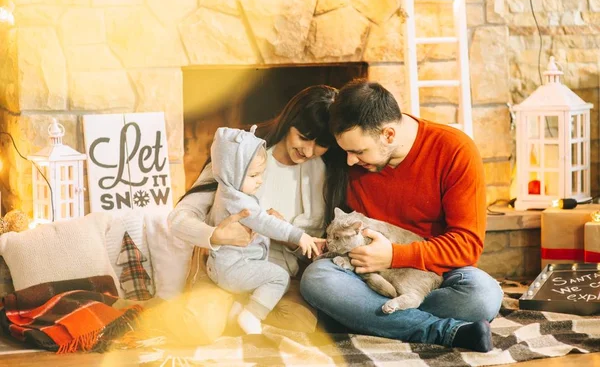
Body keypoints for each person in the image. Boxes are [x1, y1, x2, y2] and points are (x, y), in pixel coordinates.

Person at [300, 79, 503, 353]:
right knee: (317, 279)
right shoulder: (353, 154)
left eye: (358, 152)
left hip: (435, 273)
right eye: (346, 151)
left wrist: (395, 255)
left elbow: (467, 244)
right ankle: (446, 331)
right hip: (369, 274)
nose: (349, 161)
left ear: (389, 135)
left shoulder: (455, 150)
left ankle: (362, 315)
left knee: (483, 297)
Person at [164, 85, 339, 344]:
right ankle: (231, 313)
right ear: (290, 120)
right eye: (303, 136)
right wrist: (215, 235)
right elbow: (177, 220)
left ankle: (241, 315)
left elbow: (310, 246)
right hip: (224, 269)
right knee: (197, 329)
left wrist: (292, 240)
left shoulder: (325, 174)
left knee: (301, 323)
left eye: (321, 144)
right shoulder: (240, 157)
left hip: (273, 277)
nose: (309, 151)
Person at [203, 125, 323, 334]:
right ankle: (251, 316)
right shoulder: (237, 199)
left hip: (230, 265)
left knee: (293, 308)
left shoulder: (229, 190)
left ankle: (239, 309)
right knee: (278, 277)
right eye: (254, 175)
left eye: (261, 174)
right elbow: (265, 222)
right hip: (233, 268)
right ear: (233, 172)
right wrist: (299, 235)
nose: (260, 180)